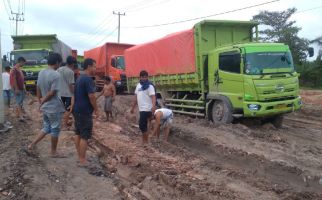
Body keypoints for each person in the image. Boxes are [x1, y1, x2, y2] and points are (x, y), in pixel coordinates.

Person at [28, 53, 66, 157]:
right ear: (57, 62)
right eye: (60, 63)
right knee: (55, 129)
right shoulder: (56, 74)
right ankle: (53, 152)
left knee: (47, 127)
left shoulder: (41, 72)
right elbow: (52, 92)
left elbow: (38, 87)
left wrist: (40, 101)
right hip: (53, 107)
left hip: (46, 107)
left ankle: (31, 145)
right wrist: (43, 101)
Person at [72, 58, 98, 166]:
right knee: (85, 136)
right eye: (94, 66)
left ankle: (80, 157)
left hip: (77, 110)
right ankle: (82, 160)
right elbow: (91, 96)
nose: (95, 69)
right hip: (84, 112)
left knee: (78, 133)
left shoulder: (79, 78)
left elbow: (75, 95)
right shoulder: (88, 79)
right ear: (89, 67)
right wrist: (96, 109)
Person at [130, 70, 156, 145]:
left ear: (147, 77)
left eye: (145, 77)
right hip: (141, 109)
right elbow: (136, 98)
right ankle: (144, 141)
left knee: (141, 125)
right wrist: (133, 108)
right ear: (140, 77)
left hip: (147, 108)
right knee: (144, 126)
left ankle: (146, 142)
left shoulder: (150, 86)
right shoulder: (138, 85)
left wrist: (153, 106)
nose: (144, 78)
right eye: (142, 77)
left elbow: (153, 97)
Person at [57, 56, 76, 127]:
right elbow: (71, 85)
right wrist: (74, 93)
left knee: (60, 109)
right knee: (68, 110)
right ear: (73, 63)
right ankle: (65, 125)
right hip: (68, 94)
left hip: (59, 93)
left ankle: (59, 124)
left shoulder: (59, 69)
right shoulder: (70, 72)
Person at [10, 57, 26, 121]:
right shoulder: (14, 69)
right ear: (21, 61)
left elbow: (21, 79)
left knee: (20, 102)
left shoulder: (19, 69)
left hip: (21, 88)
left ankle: (18, 114)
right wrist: (16, 89)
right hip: (18, 88)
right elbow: (14, 79)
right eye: (23, 63)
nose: (24, 64)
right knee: (19, 102)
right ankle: (21, 116)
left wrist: (24, 88)